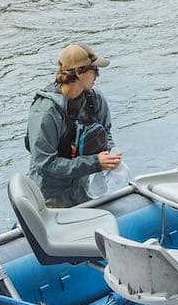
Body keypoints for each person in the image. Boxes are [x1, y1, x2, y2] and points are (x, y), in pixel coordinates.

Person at [24, 43, 121, 207]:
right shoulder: (45, 112)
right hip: (49, 197)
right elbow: (45, 164)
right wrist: (95, 163)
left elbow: (106, 132)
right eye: (94, 70)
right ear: (78, 72)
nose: (98, 75)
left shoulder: (95, 99)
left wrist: (111, 152)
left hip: (81, 191)